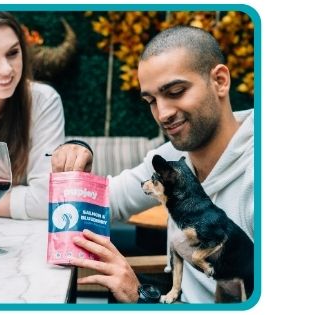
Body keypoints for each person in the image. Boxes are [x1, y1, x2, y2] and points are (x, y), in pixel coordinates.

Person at [52, 26, 254, 303]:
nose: (163, 114)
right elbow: (100, 203)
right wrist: (78, 150)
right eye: (151, 101)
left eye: (176, 91)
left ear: (219, 80)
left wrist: (141, 297)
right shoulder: (170, 161)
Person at [0, 11, 93, 220]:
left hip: (19, 240)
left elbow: (46, 201)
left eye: (13, 53)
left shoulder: (43, 101)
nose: (6, 69)